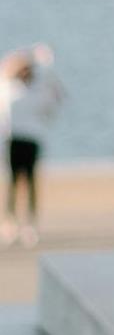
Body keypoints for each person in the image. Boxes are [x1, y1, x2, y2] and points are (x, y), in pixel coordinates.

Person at [2, 45, 58, 247]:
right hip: (14, 139)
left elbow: (55, 98)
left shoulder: (38, 90)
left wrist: (46, 67)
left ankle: (30, 225)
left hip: (32, 139)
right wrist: (21, 59)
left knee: (31, 182)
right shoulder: (9, 88)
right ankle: (10, 223)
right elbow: (4, 71)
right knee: (13, 182)